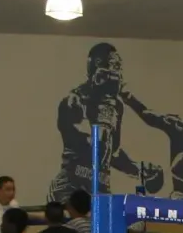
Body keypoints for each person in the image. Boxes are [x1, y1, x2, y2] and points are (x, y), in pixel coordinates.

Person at [47, 42, 161, 203]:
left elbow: (111, 152)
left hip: (100, 187)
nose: (119, 73)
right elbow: (94, 146)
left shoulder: (116, 105)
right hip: (71, 188)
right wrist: (105, 108)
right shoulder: (74, 101)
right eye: (115, 66)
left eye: (120, 67)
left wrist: (139, 170)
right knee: (79, 227)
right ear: (99, 66)